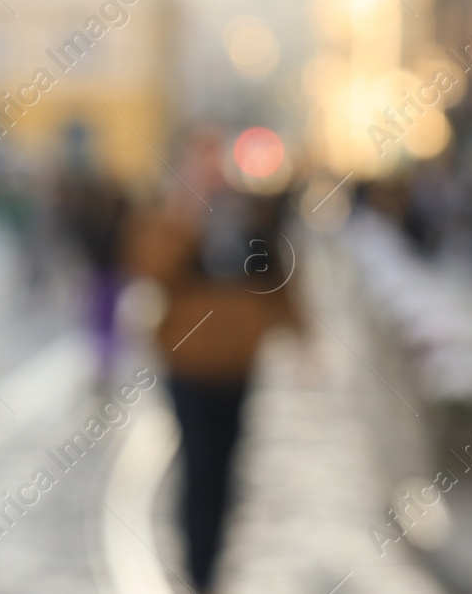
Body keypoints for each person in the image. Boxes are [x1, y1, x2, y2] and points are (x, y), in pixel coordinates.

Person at [128, 131, 301, 592]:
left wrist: (303, 336)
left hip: (239, 363)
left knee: (227, 467)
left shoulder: (247, 212)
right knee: (198, 465)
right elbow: (149, 269)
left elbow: (275, 274)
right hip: (189, 364)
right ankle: (197, 566)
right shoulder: (170, 217)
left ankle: (215, 559)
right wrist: (187, 213)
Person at [54, 161, 130, 388]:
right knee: (99, 318)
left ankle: (105, 362)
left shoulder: (116, 207)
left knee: (103, 318)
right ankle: (103, 362)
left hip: (108, 269)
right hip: (98, 269)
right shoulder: (92, 209)